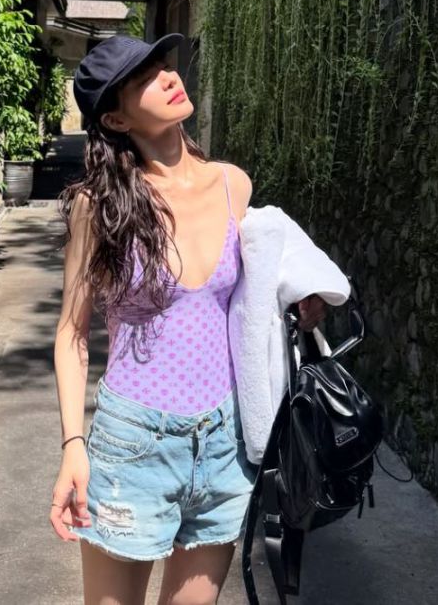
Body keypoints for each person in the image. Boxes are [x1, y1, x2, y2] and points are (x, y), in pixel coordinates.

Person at [49, 33, 327, 605]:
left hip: (225, 444)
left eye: (163, 65)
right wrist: (73, 444)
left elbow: (253, 301)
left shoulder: (232, 185)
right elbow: (72, 333)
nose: (169, 77)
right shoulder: (98, 206)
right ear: (117, 119)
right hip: (133, 445)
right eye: (144, 79)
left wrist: (301, 300)